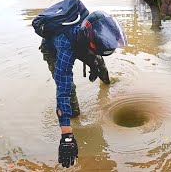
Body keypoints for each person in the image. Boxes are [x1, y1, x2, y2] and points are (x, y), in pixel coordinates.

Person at [38, 10, 127, 168]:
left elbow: (97, 51)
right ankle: (74, 116)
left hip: (81, 41)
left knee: (99, 63)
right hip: (53, 50)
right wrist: (67, 135)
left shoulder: (91, 23)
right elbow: (63, 92)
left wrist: (93, 63)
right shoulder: (66, 49)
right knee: (71, 96)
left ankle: (107, 83)